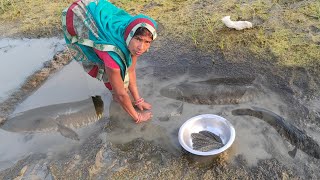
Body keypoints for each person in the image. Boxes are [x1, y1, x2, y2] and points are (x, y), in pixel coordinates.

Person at [61, 0, 157, 123]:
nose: (141, 47)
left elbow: (131, 69)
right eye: (138, 39)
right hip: (79, 15)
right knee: (113, 78)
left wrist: (138, 99)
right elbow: (121, 94)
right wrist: (137, 117)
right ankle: (114, 93)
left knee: (120, 74)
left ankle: (120, 94)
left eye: (147, 42)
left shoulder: (132, 35)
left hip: (104, 16)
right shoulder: (112, 54)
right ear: (130, 36)